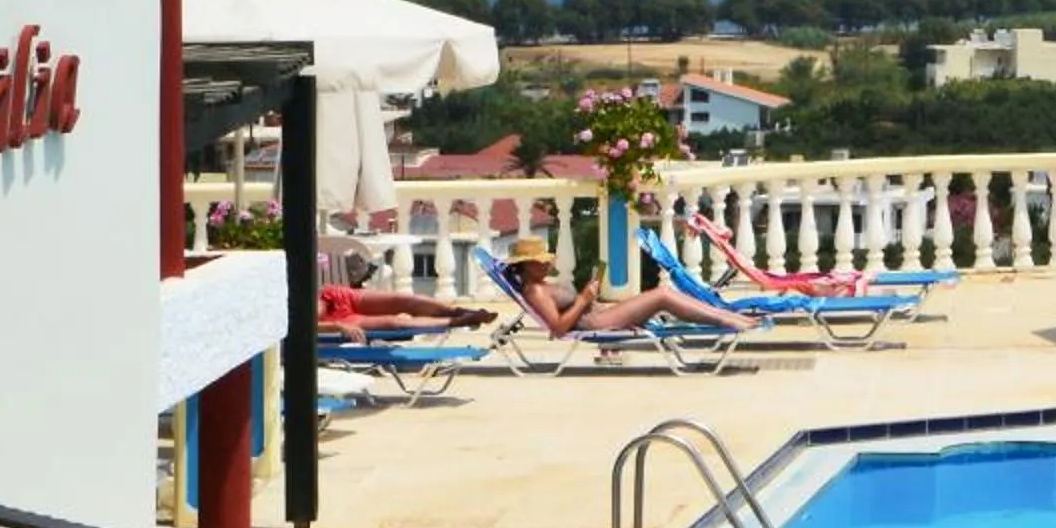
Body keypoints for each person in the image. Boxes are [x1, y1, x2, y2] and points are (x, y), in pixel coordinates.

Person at [498, 235, 755, 335]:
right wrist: (584, 300)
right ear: (527, 264)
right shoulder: (535, 290)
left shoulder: (540, 284)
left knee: (663, 295)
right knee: (662, 295)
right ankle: (727, 321)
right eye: (540, 261)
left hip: (597, 312)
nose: (546, 264)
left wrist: (591, 297)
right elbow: (558, 329)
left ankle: (726, 316)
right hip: (595, 322)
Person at [313, 282, 495, 344]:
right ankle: (458, 321)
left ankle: (458, 311)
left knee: (404, 300)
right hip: (335, 320)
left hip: (333, 297)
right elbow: (299, 325)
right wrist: (336, 326)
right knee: (395, 323)